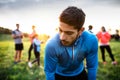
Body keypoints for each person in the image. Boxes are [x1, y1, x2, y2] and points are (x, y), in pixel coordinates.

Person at [44, 6, 98, 80]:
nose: (62, 37)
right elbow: (49, 71)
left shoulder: (91, 40)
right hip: (59, 75)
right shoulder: (51, 45)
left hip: (80, 73)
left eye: (69, 33)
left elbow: (92, 67)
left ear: (81, 31)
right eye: (60, 30)